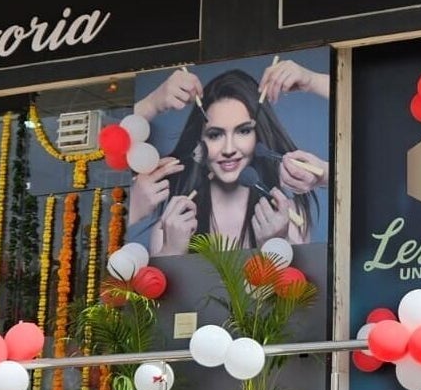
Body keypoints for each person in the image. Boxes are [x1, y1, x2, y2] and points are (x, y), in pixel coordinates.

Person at [128, 64, 326, 255]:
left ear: (258, 135)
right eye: (215, 135)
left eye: (243, 131)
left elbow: (295, 288)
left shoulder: (288, 218)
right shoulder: (173, 224)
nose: (229, 149)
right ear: (199, 141)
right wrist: (172, 250)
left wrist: (276, 245)